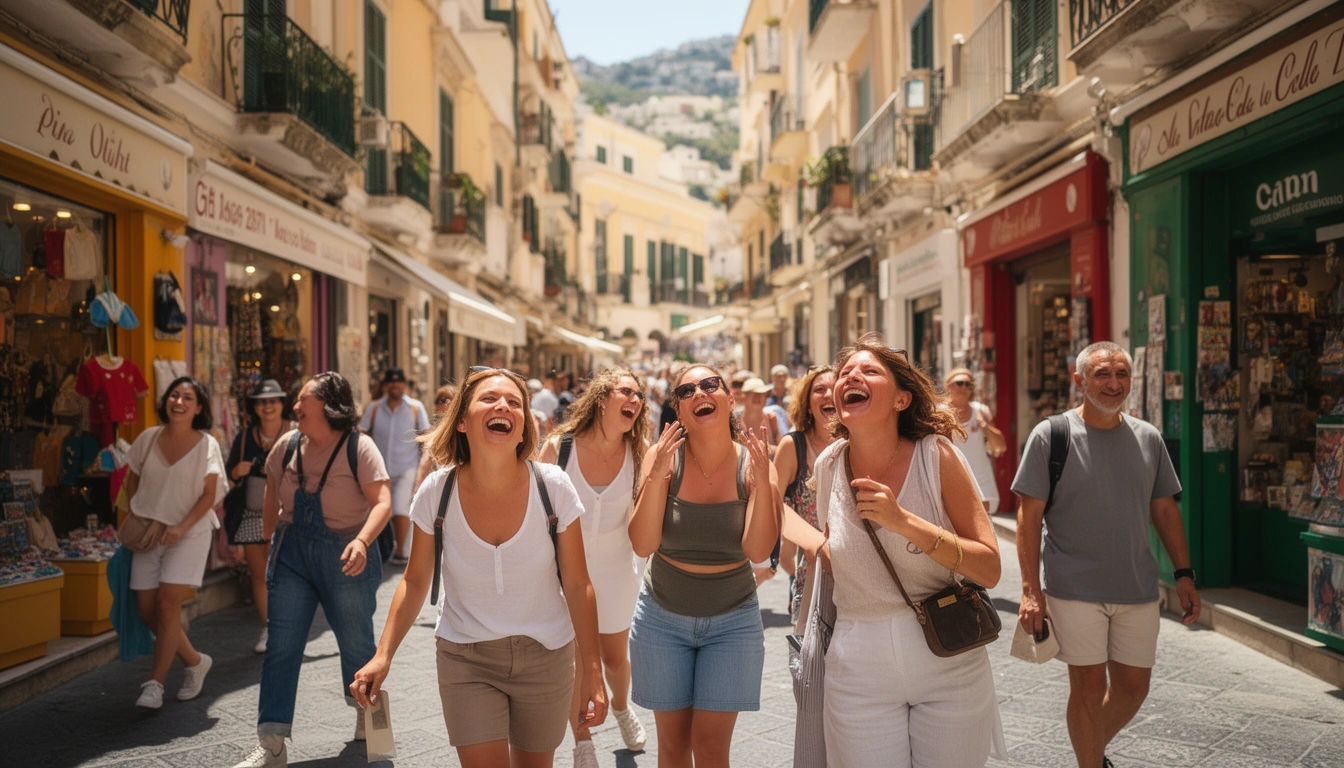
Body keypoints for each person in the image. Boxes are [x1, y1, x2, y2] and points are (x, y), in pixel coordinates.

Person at [350, 368, 607, 768]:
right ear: (464, 422)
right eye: (488, 398)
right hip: (466, 657)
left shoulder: (553, 486)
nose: (502, 405)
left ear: (523, 429)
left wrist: (593, 671)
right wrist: (383, 655)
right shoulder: (436, 492)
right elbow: (415, 581)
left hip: (547, 656)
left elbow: (578, 584)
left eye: (514, 402)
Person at [800, 335, 1006, 766]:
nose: (850, 377)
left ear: (901, 399)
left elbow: (989, 568)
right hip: (858, 663)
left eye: (869, 371)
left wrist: (904, 522)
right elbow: (839, 558)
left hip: (948, 657)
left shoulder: (937, 457)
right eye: (844, 374)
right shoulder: (828, 465)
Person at [1013, 341, 1200, 768]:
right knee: (1087, 688)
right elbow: (1028, 517)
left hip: (1137, 585)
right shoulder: (1051, 435)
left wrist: (1184, 574)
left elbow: (1165, 510)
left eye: (1121, 375)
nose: (1113, 384)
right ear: (1079, 380)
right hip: (1073, 587)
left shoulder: (1148, 438)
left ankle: (1091, 750)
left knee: (1134, 687)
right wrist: (1030, 591)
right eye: (1102, 374)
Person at [231, 372, 392, 768]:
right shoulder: (287, 446)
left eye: (304, 400)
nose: (295, 407)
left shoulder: (360, 447)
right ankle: (271, 744)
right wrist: (267, 539)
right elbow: (271, 491)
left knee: (357, 646)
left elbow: (383, 501)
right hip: (292, 558)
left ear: (330, 407)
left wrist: (362, 540)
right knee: (281, 645)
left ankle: (375, 727)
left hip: (348, 557)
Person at [628, 364, 778, 767]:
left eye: (710, 385)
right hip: (662, 618)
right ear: (678, 410)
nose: (699, 393)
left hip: (733, 621)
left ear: (730, 399)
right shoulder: (661, 460)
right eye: (686, 390)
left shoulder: (757, 463)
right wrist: (656, 477)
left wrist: (764, 486)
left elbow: (758, 549)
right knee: (673, 749)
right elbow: (642, 543)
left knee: (711, 750)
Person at [537, 368, 651, 767]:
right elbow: (535, 508)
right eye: (626, 392)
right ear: (602, 398)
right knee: (575, 662)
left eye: (640, 395)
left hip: (619, 570)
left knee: (615, 661)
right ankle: (582, 740)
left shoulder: (640, 453)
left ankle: (620, 707)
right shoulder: (558, 448)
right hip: (565, 574)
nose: (635, 400)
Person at [126, 377, 227, 710]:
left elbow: (210, 496)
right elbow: (133, 483)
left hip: (191, 533)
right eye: (174, 395)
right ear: (165, 401)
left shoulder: (207, 445)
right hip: (150, 534)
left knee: (168, 607)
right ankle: (196, 661)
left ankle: (155, 684)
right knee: (147, 610)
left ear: (198, 408)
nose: (179, 402)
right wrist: (144, 517)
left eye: (188, 397)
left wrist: (181, 527)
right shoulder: (147, 438)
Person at [226, 379, 292, 654]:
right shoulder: (244, 437)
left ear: (282, 404)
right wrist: (236, 472)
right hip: (252, 512)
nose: (268, 407)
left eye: (274, 401)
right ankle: (268, 628)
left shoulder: (296, 433)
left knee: (284, 573)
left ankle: (287, 626)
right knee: (259, 575)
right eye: (263, 402)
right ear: (255, 407)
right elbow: (228, 474)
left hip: (287, 513)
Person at [773, 366, 837, 631]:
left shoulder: (862, 442)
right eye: (819, 390)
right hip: (813, 571)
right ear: (808, 405)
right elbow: (771, 505)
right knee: (810, 662)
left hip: (861, 573)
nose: (828, 394)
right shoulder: (793, 446)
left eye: (835, 388)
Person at [359, 368, 430, 565]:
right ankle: (383, 548)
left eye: (398, 382)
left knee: (399, 507)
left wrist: (424, 466)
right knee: (382, 509)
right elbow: (361, 432)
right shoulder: (374, 408)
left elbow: (426, 436)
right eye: (391, 383)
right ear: (385, 386)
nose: (395, 385)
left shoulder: (415, 407)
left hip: (407, 467)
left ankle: (400, 551)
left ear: (404, 385)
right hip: (379, 469)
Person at [944, 368, 1005, 514]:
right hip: (951, 479)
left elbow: (1000, 447)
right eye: (960, 383)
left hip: (981, 479)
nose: (964, 387)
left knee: (985, 527)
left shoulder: (981, 410)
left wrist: (984, 426)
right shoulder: (940, 411)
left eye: (968, 384)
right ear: (949, 386)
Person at [414, 383, 458, 494]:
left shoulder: (467, 430)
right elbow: (424, 465)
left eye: (447, 399)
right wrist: (418, 490)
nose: (443, 404)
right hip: (442, 488)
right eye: (439, 400)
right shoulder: (433, 435)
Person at [738, 377, 781, 450]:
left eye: (762, 394)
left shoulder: (771, 418)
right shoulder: (735, 421)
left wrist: (770, 449)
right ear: (744, 397)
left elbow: (782, 449)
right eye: (754, 394)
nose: (758, 398)